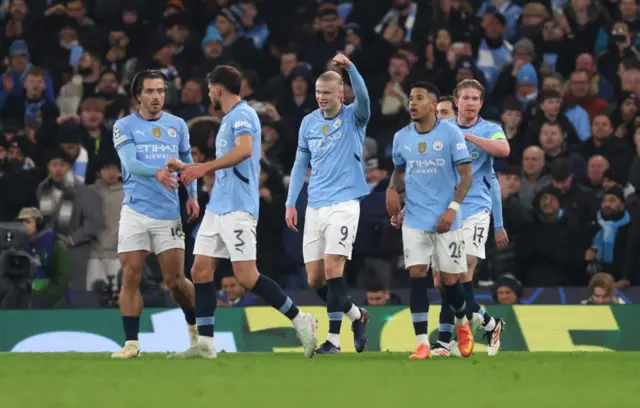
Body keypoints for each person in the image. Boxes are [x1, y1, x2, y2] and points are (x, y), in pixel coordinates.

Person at [166, 65, 318, 359]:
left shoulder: (244, 115)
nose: (209, 93)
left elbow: (246, 150)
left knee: (247, 276)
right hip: (217, 207)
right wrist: (188, 167)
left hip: (238, 208)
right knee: (199, 271)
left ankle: (301, 319)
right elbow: (227, 162)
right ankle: (206, 344)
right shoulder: (227, 120)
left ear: (219, 88)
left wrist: (203, 167)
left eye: (210, 88)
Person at [111, 70, 200, 359]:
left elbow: (188, 165)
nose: (156, 97)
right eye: (150, 91)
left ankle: (195, 333)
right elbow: (130, 163)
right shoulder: (124, 126)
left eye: (160, 91)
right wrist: (157, 171)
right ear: (138, 95)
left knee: (175, 281)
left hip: (167, 213)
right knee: (131, 275)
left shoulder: (177, 125)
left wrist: (193, 196)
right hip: (135, 210)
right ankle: (132, 344)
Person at [285, 53, 370, 354]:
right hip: (315, 204)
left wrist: (351, 68)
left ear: (340, 94)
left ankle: (333, 341)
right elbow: (299, 164)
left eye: (327, 93)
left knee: (334, 269)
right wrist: (291, 202)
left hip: (344, 203)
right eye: (318, 93)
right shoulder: (308, 123)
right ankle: (357, 315)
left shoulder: (354, 117)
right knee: (315, 278)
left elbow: (363, 95)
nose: (321, 97)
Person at [386, 81, 475, 360]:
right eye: (410, 98)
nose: (412, 103)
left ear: (433, 104)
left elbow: (466, 175)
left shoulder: (451, 133)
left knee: (450, 281)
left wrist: (452, 208)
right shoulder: (401, 137)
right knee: (416, 276)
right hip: (415, 219)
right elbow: (399, 172)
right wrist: (391, 188)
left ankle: (462, 324)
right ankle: (423, 343)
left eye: (419, 98)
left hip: (446, 220)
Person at [434, 79, 509, 357]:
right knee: (442, 279)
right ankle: (489, 323)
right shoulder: (442, 128)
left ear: (481, 103)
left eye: (475, 99)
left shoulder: (491, 129)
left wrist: (467, 138)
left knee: (462, 271)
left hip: (476, 208)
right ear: (456, 101)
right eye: (465, 98)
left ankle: (443, 341)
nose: (470, 103)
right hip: (446, 208)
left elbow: (504, 151)